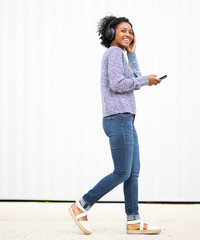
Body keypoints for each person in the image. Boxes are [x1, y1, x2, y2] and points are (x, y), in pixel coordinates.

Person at [68, 15, 163, 235]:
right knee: (122, 172)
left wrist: (133, 55)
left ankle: (133, 220)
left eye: (131, 31)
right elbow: (118, 84)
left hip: (126, 118)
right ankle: (81, 205)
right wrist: (145, 80)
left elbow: (136, 79)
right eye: (123, 31)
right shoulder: (112, 53)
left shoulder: (121, 55)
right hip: (118, 118)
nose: (128, 34)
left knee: (133, 172)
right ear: (111, 33)